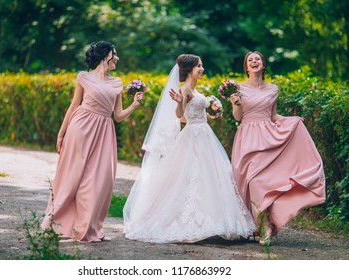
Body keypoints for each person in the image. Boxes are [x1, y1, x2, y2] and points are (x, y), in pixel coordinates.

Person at [123, 54, 255, 243]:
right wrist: (179, 102)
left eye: (202, 65)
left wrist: (212, 115)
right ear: (189, 69)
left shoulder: (196, 90)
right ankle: (191, 222)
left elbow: (192, 115)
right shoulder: (184, 89)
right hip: (193, 136)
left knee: (208, 175)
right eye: (198, 66)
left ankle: (214, 220)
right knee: (191, 174)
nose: (202, 69)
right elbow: (179, 115)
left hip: (203, 133)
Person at [41, 41, 143, 242]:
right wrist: (61, 134)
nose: (118, 58)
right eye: (115, 54)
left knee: (100, 180)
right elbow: (73, 106)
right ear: (106, 56)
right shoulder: (83, 77)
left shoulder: (117, 83)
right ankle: (56, 223)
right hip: (80, 128)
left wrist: (135, 105)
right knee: (71, 178)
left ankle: (86, 227)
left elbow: (118, 115)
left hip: (104, 131)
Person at [230, 51, 326, 245]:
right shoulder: (237, 88)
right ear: (246, 67)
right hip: (247, 137)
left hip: (268, 136)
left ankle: (266, 228)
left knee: (266, 183)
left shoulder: (273, 89)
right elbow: (238, 117)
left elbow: (273, 116)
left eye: (257, 59)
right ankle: (257, 225)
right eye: (250, 60)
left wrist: (293, 121)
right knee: (252, 181)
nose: (254, 61)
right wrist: (236, 103)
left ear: (263, 65)